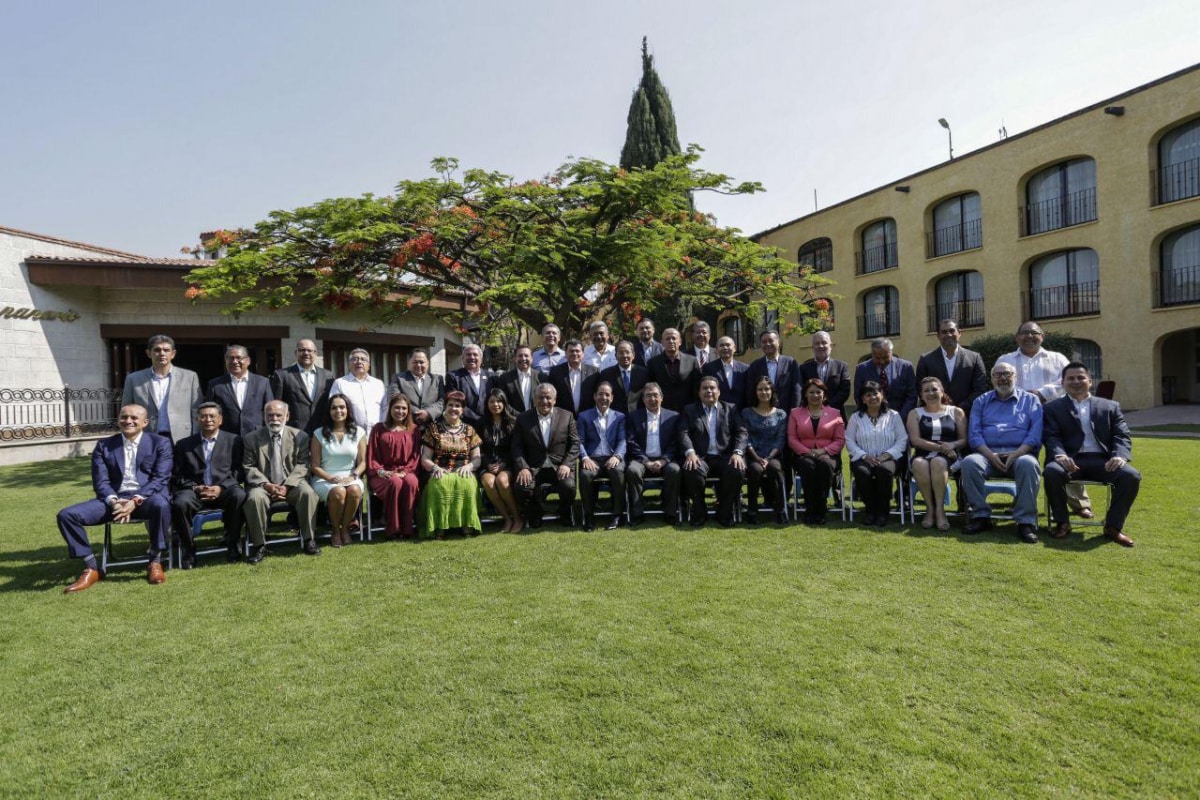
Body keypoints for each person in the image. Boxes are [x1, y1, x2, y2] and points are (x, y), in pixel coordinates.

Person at [56, 404, 173, 592]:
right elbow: (100, 482)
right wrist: (114, 501)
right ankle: (92, 567)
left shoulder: (159, 443)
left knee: (162, 503)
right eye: (124, 417)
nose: (128, 421)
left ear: (145, 422)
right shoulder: (104, 445)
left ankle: (155, 561)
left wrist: (135, 500)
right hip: (114, 501)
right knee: (67, 515)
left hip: (146, 499)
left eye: (134, 418)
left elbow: (161, 479)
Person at [996, 321, 1091, 518]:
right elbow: (1000, 381)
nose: (1029, 337)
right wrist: (1023, 396)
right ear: (1017, 337)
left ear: (1042, 336)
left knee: (1065, 454)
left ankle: (1079, 503)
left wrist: (1040, 393)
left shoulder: (1057, 358)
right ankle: (1021, 503)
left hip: (1054, 413)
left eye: (1034, 333)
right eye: (1024, 333)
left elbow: (1066, 380)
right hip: (1019, 417)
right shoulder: (1006, 359)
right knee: (1023, 458)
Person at [1043, 362, 1140, 547]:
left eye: (1081, 377)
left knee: (1131, 476)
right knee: (1051, 472)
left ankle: (1113, 527)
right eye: (1071, 378)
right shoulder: (1052, 408)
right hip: (1070, 459)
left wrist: (1119, 455)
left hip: (1103, 461)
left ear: (1090, 381)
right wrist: (1060, 455)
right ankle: (1062, 523)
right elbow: (1051, 436)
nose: (1076, 381)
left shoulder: (1110, 406)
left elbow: (1121, 434)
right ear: (1063, 382)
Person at [961, 363, 1044, 543]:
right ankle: (981, 517)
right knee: (969, 462)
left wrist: (1016, 454)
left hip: (1020, 455)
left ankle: (1025, 522)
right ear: (991, 379)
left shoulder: (1031, 400)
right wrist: (990, 455)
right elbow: (974, 435)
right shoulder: (981, 401)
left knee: (1029, 464)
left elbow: (1035, 435)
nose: (1002, 378)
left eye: (1007, 374)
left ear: (1016, 377)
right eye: (997, 375)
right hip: (987, 456)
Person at [242, 400, 322, 562]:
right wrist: (266, 485)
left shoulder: (300, 436)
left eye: (279, 415)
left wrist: (287, 486)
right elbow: (249, 466)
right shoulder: (251, 438)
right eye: (270, 415)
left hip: (292, 484)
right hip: (263, 485)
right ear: (264, 417)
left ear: (287, 416)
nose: (274, 418)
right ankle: (259, 545)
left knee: (308, 493)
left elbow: (303, 464)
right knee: (254, 498)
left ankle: (309, 540)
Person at [170, 402, 246, 568]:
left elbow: (239, 470)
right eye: (203, 416)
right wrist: (195, 487)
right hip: (195, 491)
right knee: (179, 503)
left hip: (224, 489)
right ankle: (188, 549)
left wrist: (221, 487)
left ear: (220, 420)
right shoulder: (184, 445)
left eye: (212, 416)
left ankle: (233, 543)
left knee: (239, 495)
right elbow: (177, 475)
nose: (208, 419)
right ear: (197, 420)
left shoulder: (234, 440)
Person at [679, 376, 747, 527]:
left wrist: (737, 453)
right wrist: (690, 452)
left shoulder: (731, 408)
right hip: (700, 457)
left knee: (737, 469)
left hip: (725, 456)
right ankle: (699, 512)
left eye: (712, 388)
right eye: (705, 388)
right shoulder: (689, 410)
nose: (709, 391)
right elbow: (683, 433)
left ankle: (724, 512)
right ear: (699, 392)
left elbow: (741, 433)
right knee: (691, 469)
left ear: (719, 392)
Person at [512, 383, 580, 528]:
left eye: (548, 398)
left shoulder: (566, 416)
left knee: (568, 486)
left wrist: (567, 464)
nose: (544, 401)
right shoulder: (523, 418)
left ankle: (564, 512)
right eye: (540, 398)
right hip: (534, 467)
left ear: (555, 400)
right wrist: (523, 467)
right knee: (522, 487)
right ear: (534, 399)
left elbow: (575, 444)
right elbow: (516, 446)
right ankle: (535, 513)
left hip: (559, 466)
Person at [418, 391, 483, 538]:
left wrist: (470, 466)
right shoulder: (433, 429)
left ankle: (467, 525)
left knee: (466, 485)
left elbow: (477, 457)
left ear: (462, 410)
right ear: (445, 408)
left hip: (464, 470)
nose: (454, 408)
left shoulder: (470, 430)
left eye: (458, 406)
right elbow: (425, 458)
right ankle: (439, 526)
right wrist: (435, 468)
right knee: (439, 485)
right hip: (441, 469)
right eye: (450, 405)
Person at [906, 377, 966, 531]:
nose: (931, 393)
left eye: (934, 389)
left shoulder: (956, 412)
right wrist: (941, 448)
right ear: (921, 395)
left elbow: (964, 439)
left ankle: (940, 510)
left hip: (951, 457)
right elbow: (915, 440)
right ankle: (930, 508)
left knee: (938, 462)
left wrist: (951, 445)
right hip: (923, 454)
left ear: (942, 391)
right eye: (926, 391)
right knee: (919, 463)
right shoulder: (915, 413)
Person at [845, 381, 908, 527]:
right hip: (863, 458)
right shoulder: (855, 418)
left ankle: (883, 511)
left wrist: (887, 455)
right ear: (863, 399)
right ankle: (870, 510)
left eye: (875, 393)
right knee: (862, 472)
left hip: (889, 458)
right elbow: (849, 440)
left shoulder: (893, 415)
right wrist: (863, 455)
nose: (872, 397)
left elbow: (902, 439)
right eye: (868, 395)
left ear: (882, 395)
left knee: (883, 470)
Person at [309, 393, 367, 548]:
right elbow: (314, 466)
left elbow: (363, 462)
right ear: (329, 411)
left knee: (355, 490)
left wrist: (354, 475)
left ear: (348, 410)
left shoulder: (359, 432)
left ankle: (345, 528)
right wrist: (329, 478)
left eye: (342, 407)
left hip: (350, 475)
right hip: (324, 478)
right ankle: (336, 530)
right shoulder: (318, 433)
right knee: (338, 492)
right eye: (334, 408)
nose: (338, 411)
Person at [121, 334, 202, 444]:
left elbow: (196, 410)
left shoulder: (190, 377)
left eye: (166, 350)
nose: (162, 353)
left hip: (182, 437)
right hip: (146, 437)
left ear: (173, 354)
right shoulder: (134, 379)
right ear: (149, 353)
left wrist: (196, 436)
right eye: (157, 350)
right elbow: (126, 410)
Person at [788, 379, 846, 525]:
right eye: (811, 392)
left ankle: (821, 506)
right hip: (803, 455)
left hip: (828, 455)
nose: (815, 395)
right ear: (805, 395)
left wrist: (823, 450)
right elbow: (792, 438)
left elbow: (840, 440)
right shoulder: (795, 413)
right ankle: (810, 507)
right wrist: (808, 451)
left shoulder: (835, 413)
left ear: (824, 395)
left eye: (818, 392)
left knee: (824, 466)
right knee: (808, 467)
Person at [626, 382, 682, 525]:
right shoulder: (634, 417)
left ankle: (670, 512)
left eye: (655, 395)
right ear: (643, 399)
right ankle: (637, 513)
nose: (652, 399)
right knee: (632, 470)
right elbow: (632, 443)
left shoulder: (673, 416)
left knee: (674, 470)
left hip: (665, 459)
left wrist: (664, 460)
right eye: (648, 396)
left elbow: (676, 442)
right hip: (642, 460)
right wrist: (646, 461)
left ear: (661, 397)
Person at [368, 393, 421, 539]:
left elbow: (415, 456)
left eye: (404, 408)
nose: (400, 411)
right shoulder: (379, 429)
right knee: (394, 482)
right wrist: (380, 471)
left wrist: (405, 471)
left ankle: (407, 529)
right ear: (390, 409)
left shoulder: (414, 430)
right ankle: (393, 529)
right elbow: (372, 455)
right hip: (382, 473)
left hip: (406, 471)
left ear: (408, 410)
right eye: (397, 407)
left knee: (412, 482)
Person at [577, 382, 627, 531]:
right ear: (594, 396)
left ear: (612, 398)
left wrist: (617, 456)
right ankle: (589, 516)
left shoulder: (620, 417)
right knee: (585, 475)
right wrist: (585, 458)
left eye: (607, 395)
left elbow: (623, 440)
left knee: (618, 472)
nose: (603, 397)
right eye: (600, 394)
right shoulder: (584, 416)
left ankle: (618, 514)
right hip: (593, 459)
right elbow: (579, 441)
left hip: (612, 457)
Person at [915, 320, 988, 420]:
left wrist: (959, 408)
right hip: (935, 417)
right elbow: (920, 389)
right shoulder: (926, 360)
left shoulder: (974, 358)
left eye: (952, 331)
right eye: (944, 332)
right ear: (938, 336)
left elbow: (980, 389)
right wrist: (941, 406)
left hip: (966, 416)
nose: (948, 334)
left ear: (959, 333)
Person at [741, 377, 788, 524]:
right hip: (753, 456)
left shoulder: (781, 414)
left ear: (772, 392)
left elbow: (781, 439)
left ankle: (780, 510)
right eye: (760, 389)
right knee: (755, 470)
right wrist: (756, 457)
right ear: (755, 392)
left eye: (767, 389)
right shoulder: (746, 413)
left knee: (775, 468)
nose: (763, 392)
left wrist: (768, 458)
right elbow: (745, 437)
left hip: (773, 455)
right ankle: (752, 511)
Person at [477, 389, 523, 533]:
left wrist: (502, 465)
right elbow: (479, 449)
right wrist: (488, 464)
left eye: (498, 401)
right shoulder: (481, 423)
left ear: (504, 403)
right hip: (488, 463)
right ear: (487, 404)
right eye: (491, 401)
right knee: (488, 482)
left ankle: (517, 518)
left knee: (502, 481)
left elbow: (516, 448)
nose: (495, 404)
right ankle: (507, 518)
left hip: (508, 463)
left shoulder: (513, 422)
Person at [205, 344, 274, 437]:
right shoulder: (216, 384)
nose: (235, 361)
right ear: (226, 361)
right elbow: (209, 411)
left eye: (239, 358)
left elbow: (270, 410)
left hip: (256, 436)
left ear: (248, 361)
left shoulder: (262, 382)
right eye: (230, 358)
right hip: (226, 436)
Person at [270, 338, 335, 434]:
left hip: (322, 431)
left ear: (315, 354)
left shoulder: (328, 376)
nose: (306, 353)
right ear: (296, 353)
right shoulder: (282, 375)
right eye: (302, 350)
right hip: (293, 432)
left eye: (310, 350)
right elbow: (276, 405)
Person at [853, 338, 917, 422]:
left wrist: (899, 418)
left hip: (902, 419)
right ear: (872, 354)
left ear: (891, 352)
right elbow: (859, 396)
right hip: (872, 421)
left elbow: (912, 396)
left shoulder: (906, 367)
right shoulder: (861, 369)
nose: (882, 361)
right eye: (877, 358)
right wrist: (872, 417)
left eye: (885, 357)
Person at [744, 329, 800, 413]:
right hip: (762, 414)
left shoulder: (790, 363)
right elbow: (750, 392)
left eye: (771, 340)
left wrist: (794, 413)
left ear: (779, 343)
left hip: (787, 413)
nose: (767, 344)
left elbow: (797, 390)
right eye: (764, 342)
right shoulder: (755, 366)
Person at [798, 331, 850, 420]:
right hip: (810, 416)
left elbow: (845, 391)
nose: (821, 346)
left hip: (836, 414)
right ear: (812, 347)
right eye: (817, 343)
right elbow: (802, 391)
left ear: (831, 345)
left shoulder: (841, 366)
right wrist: (815, 406)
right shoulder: (804, 368)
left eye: (824, 342)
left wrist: (827, 407)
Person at [329, 348, 386, 429]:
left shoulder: (378, 384)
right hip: (351, 433)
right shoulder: (340, 383)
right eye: (355, 359)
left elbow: (385, 408)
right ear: (349, 364)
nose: (359, 362)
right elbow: (334, 408)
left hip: (376, 434)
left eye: (363, 359)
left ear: (369, 365)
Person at [389, 348, 445, 428]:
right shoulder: (398, 378)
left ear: (428, 363)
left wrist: (428, 413)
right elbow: (394, 398)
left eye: (421, 362)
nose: (418, 365)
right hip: (406, 426)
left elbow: (442, 400)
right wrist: (416, 412)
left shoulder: (437, 379)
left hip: (432, 428)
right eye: (415, 362)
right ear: (409, 363)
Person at [647, 327, 700, 413]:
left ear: (680, 341)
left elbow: (696, 387)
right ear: (662, 342)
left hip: (687, 410)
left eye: (674, 338)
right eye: (667, 339)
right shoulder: (653, 363)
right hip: (663, 411)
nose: (671, 341)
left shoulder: (692, 361)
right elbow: (650, 388)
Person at [548, 338, 599, 417]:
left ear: (583, 353)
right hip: (563, 418)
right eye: (571, 351)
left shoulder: (594, 372)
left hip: (587, 418)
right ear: (565, 353)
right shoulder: (556, 372)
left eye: (577, 351)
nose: (575, 353)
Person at [447, 343, 492, 426]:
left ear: (481, 359)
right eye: (468, 355)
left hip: (488, 423)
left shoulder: (491, 377)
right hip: (464, 424)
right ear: (462, 359)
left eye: (475, 355)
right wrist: (477, 419)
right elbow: (455, 401)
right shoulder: (454, 376)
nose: (472, 357)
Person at [600, 340, 650, 415]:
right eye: (621, 353)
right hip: (615, 417)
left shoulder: (643, 373)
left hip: (638, 416)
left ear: (633, 355)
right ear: (615, 356)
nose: (624, 355)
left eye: (627, 352)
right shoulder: (606, 374)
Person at [703, 336, 749, 414]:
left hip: (742, 411)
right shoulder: (709, 368)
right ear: (717, 350)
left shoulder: (745, 368)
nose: (725, 348)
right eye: (721, 345)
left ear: (734, 348)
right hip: (719, 412)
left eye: (728, 345)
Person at [495, 345, 546, 413]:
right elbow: (503, 401)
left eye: (526, 355)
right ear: (515, 359)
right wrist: (518, 417)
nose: (523, 358)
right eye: (520, 356)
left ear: (531, 359)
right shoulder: (505, 378)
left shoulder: (541, 377)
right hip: (513, 420)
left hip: (537, 419)